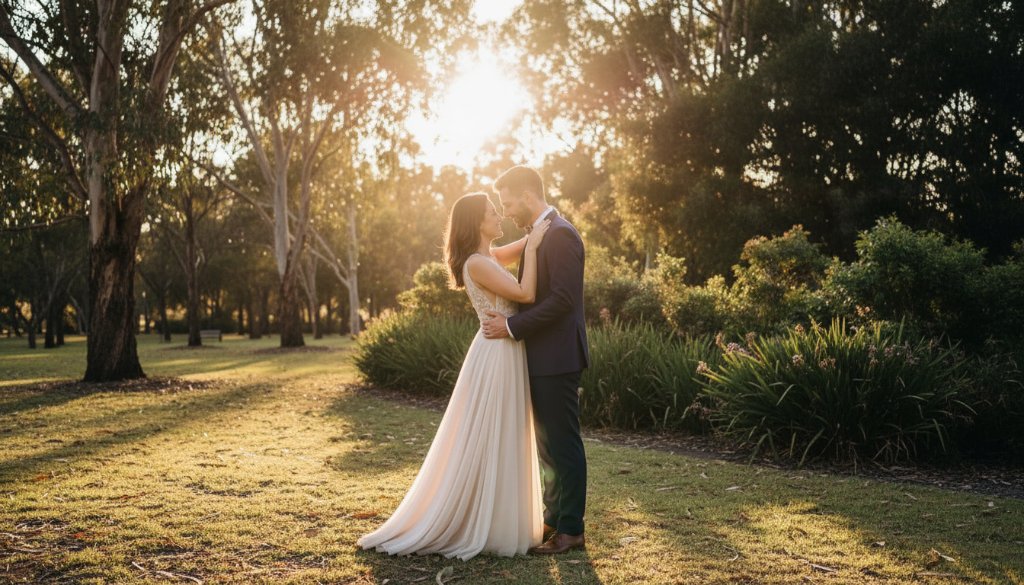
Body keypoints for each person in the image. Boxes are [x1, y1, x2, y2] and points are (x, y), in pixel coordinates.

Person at [357, 192, 550, 560]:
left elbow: (519, 245)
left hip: (500, 349)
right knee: (493, 431)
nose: (499, 217)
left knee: (501, 431)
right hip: (497, 354)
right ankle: (484, 522)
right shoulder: (478, 264)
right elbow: (526, 294)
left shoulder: (485, 258)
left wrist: (541, 225)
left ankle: (497, 516)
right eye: (493, 213)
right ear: (476, 222)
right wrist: (537, 247)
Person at [481, 165, 590, 555]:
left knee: (563, 444)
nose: (506, 211)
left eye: (508, 202)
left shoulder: (560, 235)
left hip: (558, 356)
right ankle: (553, 520)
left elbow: (562, 300)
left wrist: (512, 326)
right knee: (547, 446)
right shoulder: (539, 235)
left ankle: (571, 530)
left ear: (528, 196)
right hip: (542, 355)